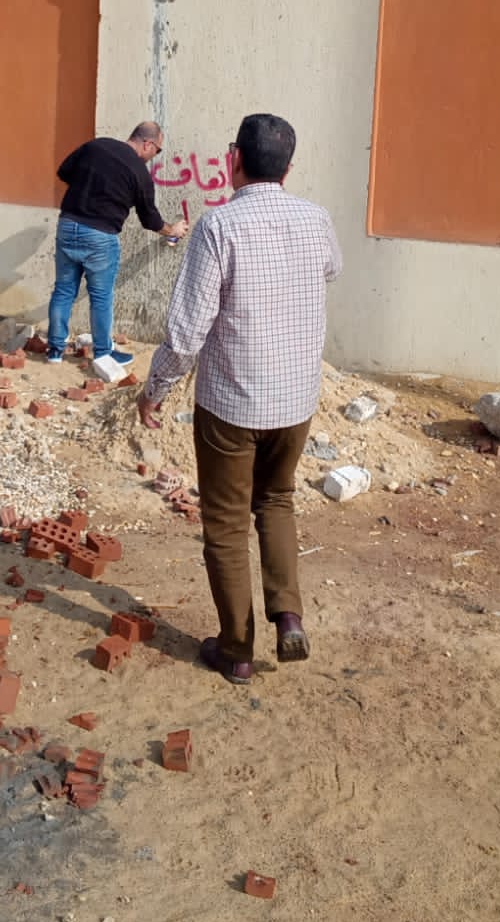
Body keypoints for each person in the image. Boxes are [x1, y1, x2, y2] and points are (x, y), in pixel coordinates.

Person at [138, 112, 342, 682]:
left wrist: (155, 389)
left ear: (233, 160)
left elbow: (187, 332)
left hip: (232, 404)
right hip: (295, 400)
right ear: (289, 168)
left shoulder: (218, 227)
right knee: (276, 500)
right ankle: (289, 616)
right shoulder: (317, 219)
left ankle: (236, 650)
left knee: (226, 524)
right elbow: (331, 269)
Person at [47, 122, 188, 382]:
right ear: (147, 144)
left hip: (68, 225)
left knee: (64, 290)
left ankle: (54, 351)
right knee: (101, 296)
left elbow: (64, 171)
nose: (154, 156)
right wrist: (173, 230)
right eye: (157, 150)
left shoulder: (96, 146)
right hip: (100, 235)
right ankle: (103, 353)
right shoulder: (139, 172)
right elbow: (150, 219)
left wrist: (87, 188)